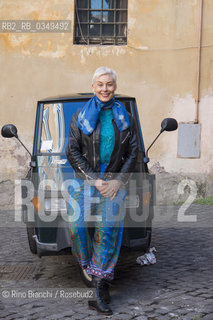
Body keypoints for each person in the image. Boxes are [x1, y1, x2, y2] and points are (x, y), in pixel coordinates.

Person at [66, 66, 138, 315]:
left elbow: (133, 152)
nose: (105, 89)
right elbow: (72, 151)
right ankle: (90, 267)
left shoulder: (125, 116)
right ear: (93, 86)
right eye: (100, 84)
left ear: (115, 86)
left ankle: (98, 289)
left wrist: (118, 181)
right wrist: (95, 180)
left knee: (106, 230)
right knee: (76, 225)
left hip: (114, 182)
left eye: (109, 84)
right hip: (86, 181)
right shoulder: (79, 116)